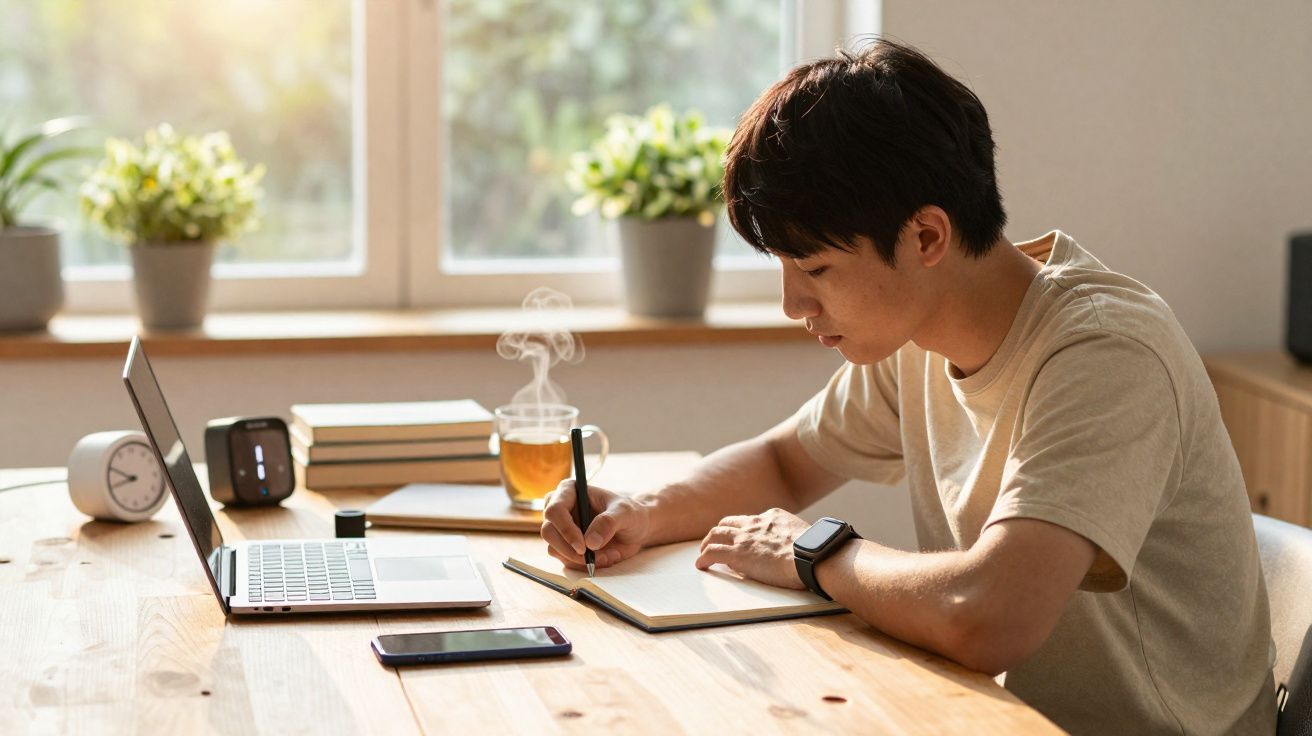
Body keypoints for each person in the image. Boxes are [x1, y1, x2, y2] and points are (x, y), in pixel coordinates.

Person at [540, 38, 1275, 734]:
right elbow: (784, 463)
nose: (793, 305)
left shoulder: (1106, 352)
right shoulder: (916, 333)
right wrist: (640, 511)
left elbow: (990, 617)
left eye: (817, 270)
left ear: (926, 237)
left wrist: (816, 554)